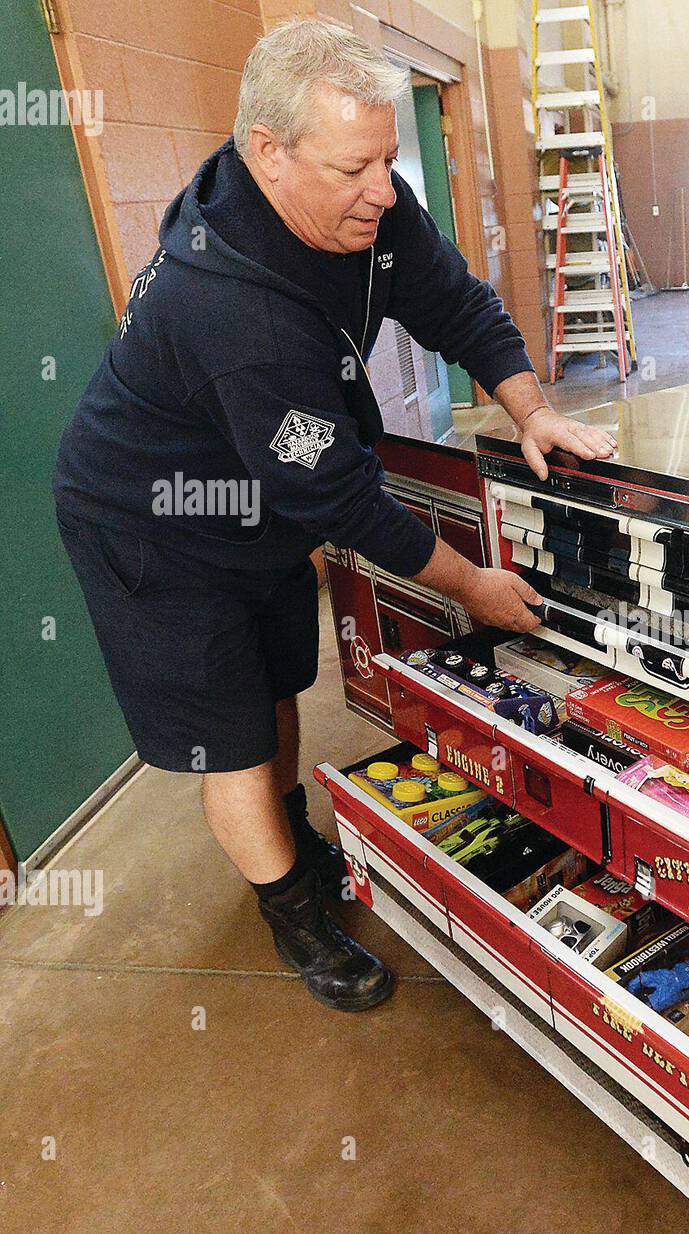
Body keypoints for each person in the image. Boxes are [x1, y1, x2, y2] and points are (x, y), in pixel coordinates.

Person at [52, 19, 615, 1012]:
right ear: (269, 153)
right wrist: (475, 584)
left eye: (390, 158)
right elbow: (346, 500)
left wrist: (535, 411)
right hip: (151, 525)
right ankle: (292, 907)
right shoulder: (232, 310)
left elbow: (458, 304)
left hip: (250, 500)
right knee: (228, 737)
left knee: (274, 683)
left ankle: (287, 819)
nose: (386, 190)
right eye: (358, 166)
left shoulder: (361, 203)